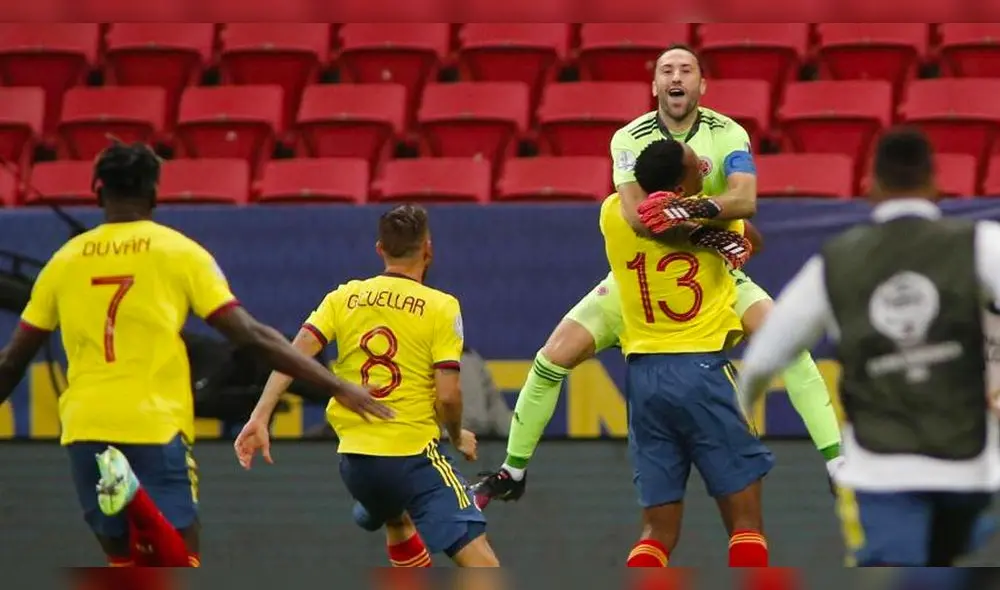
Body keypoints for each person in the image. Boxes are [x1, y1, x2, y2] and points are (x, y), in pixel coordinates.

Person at [476, 43, 842, 515]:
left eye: (686, 69)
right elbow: (638, 219)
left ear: (701, 84)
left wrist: (692, 213)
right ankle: (514, 470)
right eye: (667, 69)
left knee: (788, 345)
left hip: (714, 277)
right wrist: (713, 233)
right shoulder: (628, 138)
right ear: (654, 86)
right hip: (638, 279)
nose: (676, 76)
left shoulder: (728, 133)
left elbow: (745, 199)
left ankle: (835, 463)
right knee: (551, 359)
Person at [0, 142, 390, 568]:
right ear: (154, 192)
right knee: (179, 561)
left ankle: (126, 497)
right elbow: (251, 336)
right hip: (153, 423)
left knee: (123, 564)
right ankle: (136, 500)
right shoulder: (178, 252)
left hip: (85, 426)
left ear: (98, 192)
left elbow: (11, 362)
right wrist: (336, 385)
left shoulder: (63, 263)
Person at [737, 127, 1000, 567]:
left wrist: (742, 405)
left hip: (881, 468)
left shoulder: (835, 260)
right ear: (936, 183)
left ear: (870, 187)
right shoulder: (981, 243)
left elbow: (766, 354)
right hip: (967, 466)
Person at [234, 204, 500, 568]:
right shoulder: (441, 307)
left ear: (380, 249)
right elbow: (449, 396)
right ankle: (384, 508)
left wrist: (260, 416)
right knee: (483, 566)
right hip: (412, 458)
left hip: (356, 463)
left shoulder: (342, 298)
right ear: (428, 249)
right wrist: (455, 436)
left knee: (395, 518)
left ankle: (380, 509)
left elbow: (290, 357)